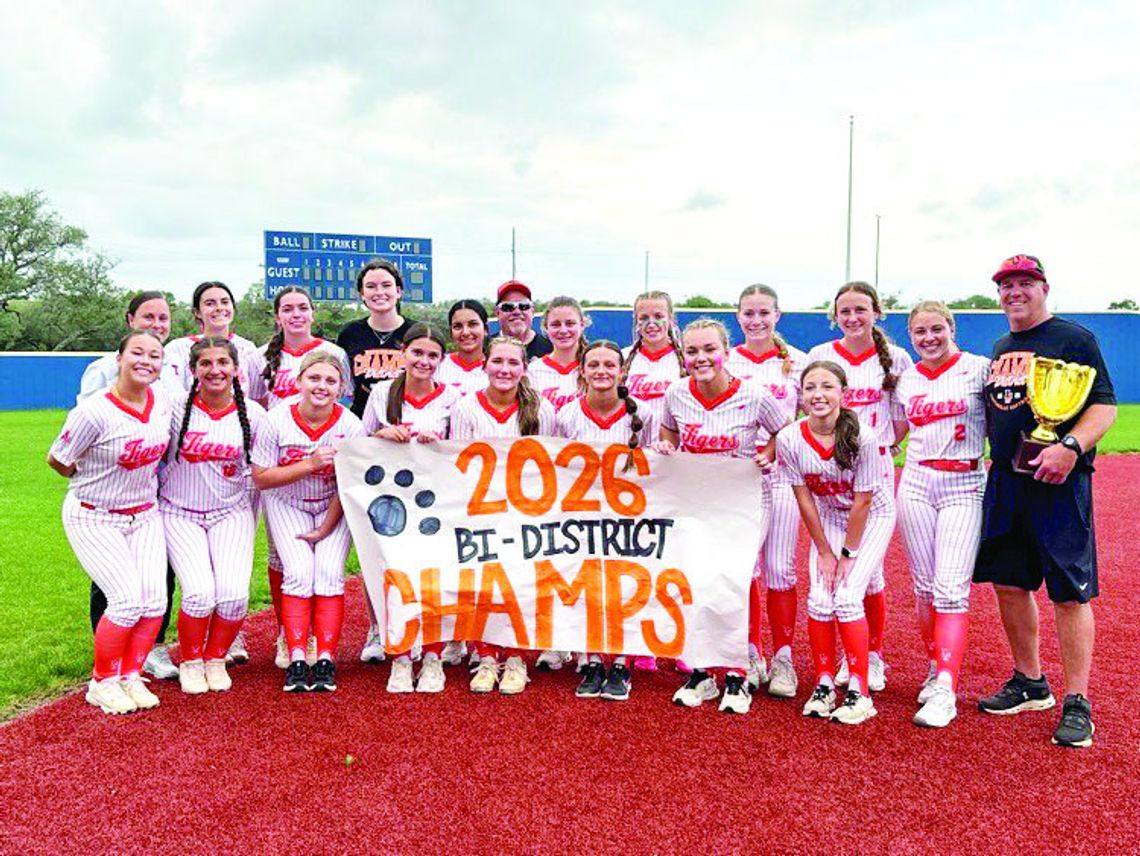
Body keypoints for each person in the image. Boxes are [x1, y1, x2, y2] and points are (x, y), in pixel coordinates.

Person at [973, 254, 1116, 748]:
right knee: (1010, 584)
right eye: (1007, 285)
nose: (1015, 291)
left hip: (1058, 484)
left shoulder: (1074, 339)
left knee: (1069, 591)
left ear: (1044, 288)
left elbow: (1103, 406)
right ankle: (1030, 682)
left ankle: (1078, 699)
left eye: (1024, 283)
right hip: (1007, 483)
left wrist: (1070, 448)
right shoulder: (1000, 347)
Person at [655, 319, 788, 715]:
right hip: (698, 501)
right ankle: (701, 669)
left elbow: (787, 432)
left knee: (737, 577)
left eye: (709, 349)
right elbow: (670, 434)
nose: (701, 358)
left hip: (746, 500)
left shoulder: (754, 395)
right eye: (692, 351)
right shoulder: (676, 393)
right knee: (696, 578)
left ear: (726, 351)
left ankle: (738, 668)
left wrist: (770, 452)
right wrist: (666, 445)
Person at [49, 331, 173, 714]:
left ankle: (130, 674)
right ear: (118, 358)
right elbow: (58, 459)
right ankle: (102, 682)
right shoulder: (94, 410)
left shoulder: (164, 400)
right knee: (124, 602)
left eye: (154, 355)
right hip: (94, 513)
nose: (146, 361)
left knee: (154, 601)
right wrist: (94, 481)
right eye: (137, 352)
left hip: (144, 512)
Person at [806, 282, 912, 691]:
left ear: (876, 312)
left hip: (873, 466)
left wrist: (882, 444)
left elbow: (902, 416)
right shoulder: (822, 356)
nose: (853, 318)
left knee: (871, 573)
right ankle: (840, 661)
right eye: (844, 311)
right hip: (831, 469)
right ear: (835, 316)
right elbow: (810, 405)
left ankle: (872, 656)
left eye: (860, 310)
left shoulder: (896, 357)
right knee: (836, 572)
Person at [776, 360, 896, 725]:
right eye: (810, 387)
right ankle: (825, 683)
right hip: (828, 517)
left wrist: (847, 555)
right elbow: (804, 499)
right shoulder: (790, 438)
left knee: (846, 595)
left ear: (843, 394)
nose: (818, 394)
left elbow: (863, 501)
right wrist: (825, 553)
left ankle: (859, 690)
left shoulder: (864, 436)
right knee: (819, 597)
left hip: (872, 516)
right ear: (801, 395)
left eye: (827, 386)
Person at [76, 291, 180, 681]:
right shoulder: (103, 368)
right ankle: (107, 651)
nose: (157, 324)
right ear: (130, 319)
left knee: (158, 571)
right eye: (149, 317)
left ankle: (151, 647)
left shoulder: (171, 367)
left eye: (163, 318)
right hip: (111, 488)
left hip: (154, 484)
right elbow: (86, 428)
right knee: (112, 572)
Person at [246, 286, 351, 668]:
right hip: (282, 465)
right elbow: (254, 408)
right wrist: (299, 458)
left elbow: (342, 410)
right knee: (286, 563)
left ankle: (320, 651)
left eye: (303, 307)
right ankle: (288, 637)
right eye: (287, 308)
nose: (295, 314)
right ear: (276, 316)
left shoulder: (334, 356)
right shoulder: (261, 359)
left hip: (325, 474)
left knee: (323, 572)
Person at [894, 302, 988, 727]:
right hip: (915, 482)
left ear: (952, 328)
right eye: (919, 332)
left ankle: (947, 687)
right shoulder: (906, 379)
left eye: (936, 329)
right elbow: (892, 432)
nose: (929, 338)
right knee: (925, 587)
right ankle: (936, 668)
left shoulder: (980, 369)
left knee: (952, 588)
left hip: (964, 483)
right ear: (910, 336)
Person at [251, 352, 365, 693]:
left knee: (329, 573)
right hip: (287, 500)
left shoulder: (350, 425)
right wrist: (309, 464)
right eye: (314, 378)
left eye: (331, 380)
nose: (322, 386)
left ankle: (326, 657)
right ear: (299, 381)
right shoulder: (276, 420)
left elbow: (348, 486)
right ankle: (298, 655)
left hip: (333, 505)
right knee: (299, 572)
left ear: (342, 387)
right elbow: (261, 478)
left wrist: (325, 528)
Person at [450, 336, 558, 694]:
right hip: (480, 511)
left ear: (524, 368)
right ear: (485, 365)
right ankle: (485, 656)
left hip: (526, 511)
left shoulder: (541, 410)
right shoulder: (466, 407)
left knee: (521, 586)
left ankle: (515, 658)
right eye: (498, 361)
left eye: (513, 363)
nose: (505, 369)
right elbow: (457, 464)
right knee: (484, 585)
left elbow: (549, 466)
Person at [161, 337, 266, 694]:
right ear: (193, 370)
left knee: (235, 595)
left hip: (230, 511)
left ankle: (215, 657)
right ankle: (191, 660)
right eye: (206, 363)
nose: (215, 370)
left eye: (223, 362)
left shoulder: (253, 413)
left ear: (236, 369)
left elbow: (264, 467)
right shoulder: (174, 407)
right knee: (199, 594)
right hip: (179, 511)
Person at [361, 324, 461, 692]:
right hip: (392, 502)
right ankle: (401, 657)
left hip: (436, 501)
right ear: (403, 353)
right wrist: (381, 435)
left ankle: (433, 657)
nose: (424, 361)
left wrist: (441, 442)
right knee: (396, 578)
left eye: (433, 355)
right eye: (417, 352)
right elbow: (359, 444)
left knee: (433, 579)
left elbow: (464, 452)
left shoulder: (453, 397)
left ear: (442, 360)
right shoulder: (382, 393)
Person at [726, 284, 808, 698]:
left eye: (764, 313)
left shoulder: (797, 362)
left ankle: (784, 658)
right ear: (737, 317)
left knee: (780, 569)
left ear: (778, 315)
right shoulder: (725, 361)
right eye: (748, 313)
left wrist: (780, 450)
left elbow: (812, 421)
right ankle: (750, 650)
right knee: (745, 569)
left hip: (782, 477)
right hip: (737, 479)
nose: (756, 320)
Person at [557, 340, 647, 701]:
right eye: (593, 365)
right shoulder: (567, 414)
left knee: (628, 586)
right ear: (581, 370)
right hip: (583, 515)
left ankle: (624, 660)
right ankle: (592, 658)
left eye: (610, 365)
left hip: (631, 516)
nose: (601, 372)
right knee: (589, 585)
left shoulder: (644, 414)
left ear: (622, 371)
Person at [336, 259, 414, 419]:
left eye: (386, 285)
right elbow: (342, 385)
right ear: (362, 294)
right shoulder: (350, 333)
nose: (379, 292)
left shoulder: (416, 333)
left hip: (408, 420)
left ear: (398, 291)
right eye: (371, 286)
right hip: (361, 421)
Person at [162, 281, 259, 393]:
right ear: (197, 312)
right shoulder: (178, 348)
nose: (219, 308)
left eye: (225, 302)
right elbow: (172, 395)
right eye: (210, 303)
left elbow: (256, 396)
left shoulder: (248, 349)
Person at [436, 299, 490, 396]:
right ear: (450, 332)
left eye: (472, 324)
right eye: (457, 326)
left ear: (485, 329)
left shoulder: (497, 368)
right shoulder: (437, 365)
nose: (465, 332)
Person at [494, 280, 552, 360]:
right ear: (497, 313)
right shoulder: (484, 348)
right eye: (508, 307)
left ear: (532, 311)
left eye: (524, 306)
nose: (517, 312)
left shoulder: (551, 349)